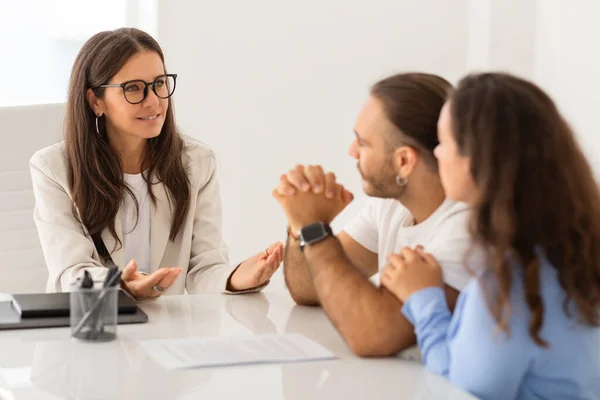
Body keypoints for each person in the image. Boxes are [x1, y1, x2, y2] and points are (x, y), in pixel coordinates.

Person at [381, 73, 600, 399]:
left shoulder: (511, 280)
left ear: (478, 158)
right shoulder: (576, 248)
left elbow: (463, 390)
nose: (437, 154)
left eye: (444, 142)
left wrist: (424, 299)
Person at [30, 28, 282, 299]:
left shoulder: (197, 164)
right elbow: (71, 273)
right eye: (133, 88)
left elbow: (205, 269)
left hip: (166, 331)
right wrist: (123, 285)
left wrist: (236, 278)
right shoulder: (53, 168)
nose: (154, 102)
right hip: (92, 327)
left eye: (159, 84)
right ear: (95, 101)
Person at [273, 73, 475, 356]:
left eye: (363, 143)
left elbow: (371, 335)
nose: (352, 152)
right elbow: (310, 289)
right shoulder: (393, 204)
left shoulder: (469, 229)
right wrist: (301, 226)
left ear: (404, 161)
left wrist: (314, 229)